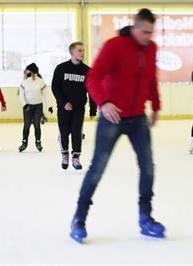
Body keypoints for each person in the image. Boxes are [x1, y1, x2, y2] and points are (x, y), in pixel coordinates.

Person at [69, 8, 164, 244]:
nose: (147, 37)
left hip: (137, 118)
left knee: (148, 167)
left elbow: (151, 77)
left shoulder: (151, 49)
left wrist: (156, 105)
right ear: (134, 27)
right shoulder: (114, 46)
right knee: (97, 169)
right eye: (144, 32)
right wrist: (104, 102)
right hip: (113, 116)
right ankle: (79, 219)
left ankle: (145, 218)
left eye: (151, 33)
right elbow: (93, 77)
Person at [52, 42, 97, 170]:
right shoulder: (61, 68)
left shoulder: (87, 71)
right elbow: (55, 88)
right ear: (72, 52)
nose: (82, 53)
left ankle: (76, 157)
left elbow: (92, 91)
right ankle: (64, 154)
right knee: (64, 132)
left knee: (77, 133)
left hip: (78, 109)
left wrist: (93, 109)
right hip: (63, 108)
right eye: (79, 50)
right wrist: (63, 103)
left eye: (83, 50)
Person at [18, 63, 53, 152]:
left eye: (34, 72)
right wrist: (24, 104)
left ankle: (38, 142)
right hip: (27, 107)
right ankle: (24, 142)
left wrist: (49, 106)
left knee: (37, 125)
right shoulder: (24, 83)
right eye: (31, 72)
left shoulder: (41, 82)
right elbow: (21, 96)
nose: (32, 75)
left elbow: (46, 95)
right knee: (27, 125)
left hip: (38, 106)